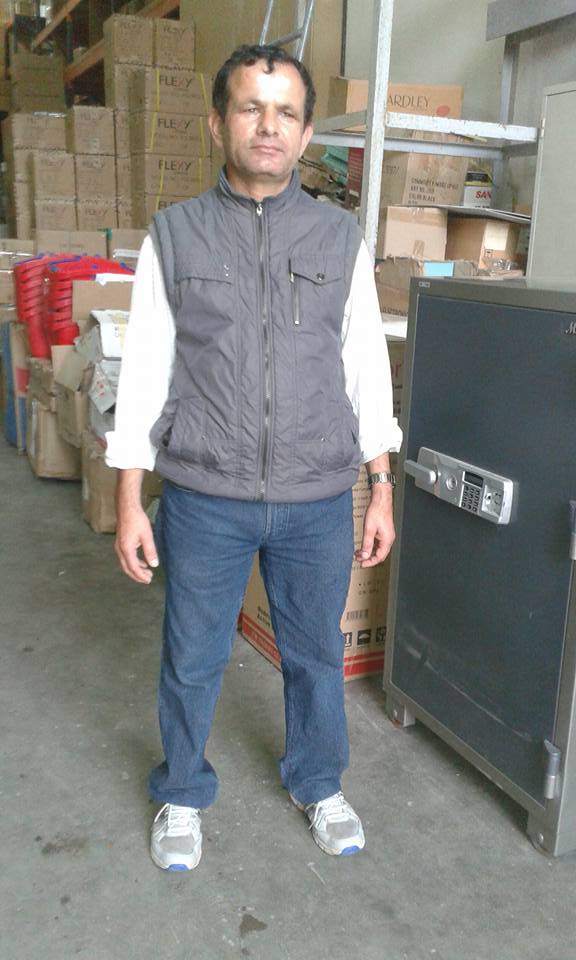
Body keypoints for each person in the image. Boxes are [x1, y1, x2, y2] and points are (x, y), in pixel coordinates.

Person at [106, 43, 402, 872]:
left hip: (315, 498)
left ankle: (318, 781)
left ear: (305, 136)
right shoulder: (175, 236)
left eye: (285, 113)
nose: (267, 127)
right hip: (205, 495)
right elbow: (145, 373)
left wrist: (380, 485)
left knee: (315, 657)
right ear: (218, 123)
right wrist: (129, 500)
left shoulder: (339, 239)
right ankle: (181, 791)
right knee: (192, 657)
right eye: (250, 107)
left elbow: (365, 368)